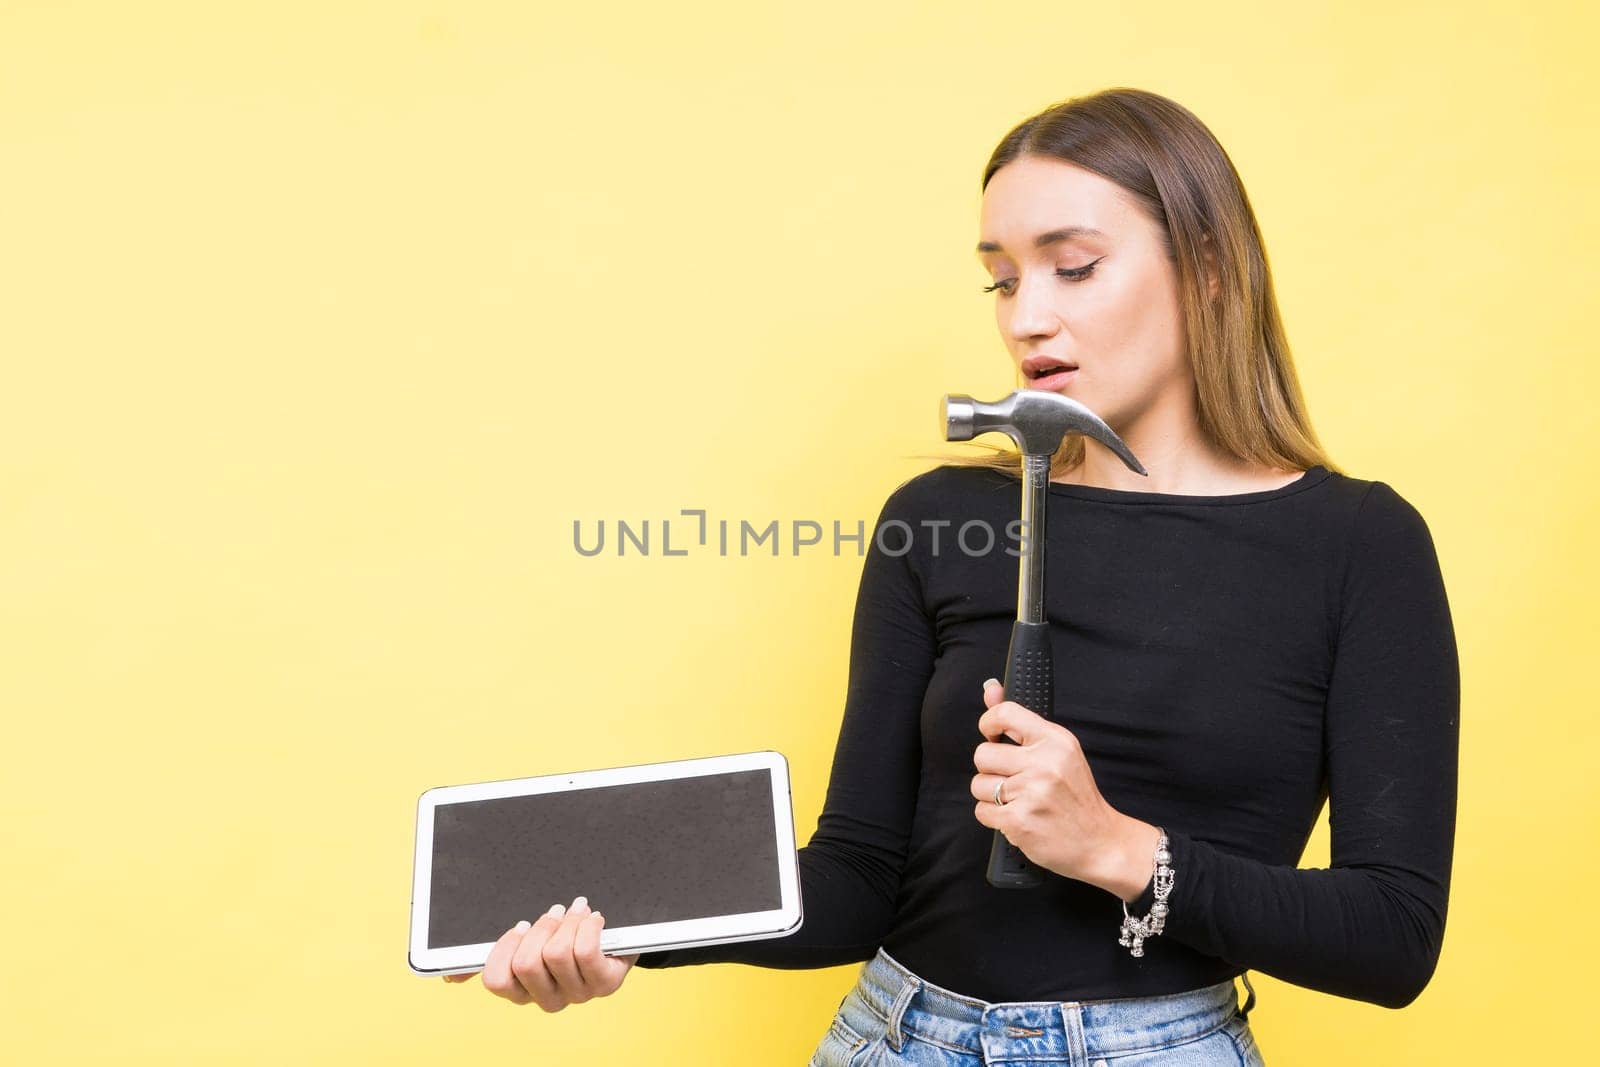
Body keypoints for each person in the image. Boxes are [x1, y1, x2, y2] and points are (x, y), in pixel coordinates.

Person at [443, 87, 1460, 1067]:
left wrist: (1115, 846)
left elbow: (1392, 933)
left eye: (1072, 267)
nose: (1025, 319)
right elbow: (854, 874)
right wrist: (625, 922)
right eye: (1003, 279)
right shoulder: (938, 519)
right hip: (897, 1035)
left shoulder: (1357, 544)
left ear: (1205, 268)